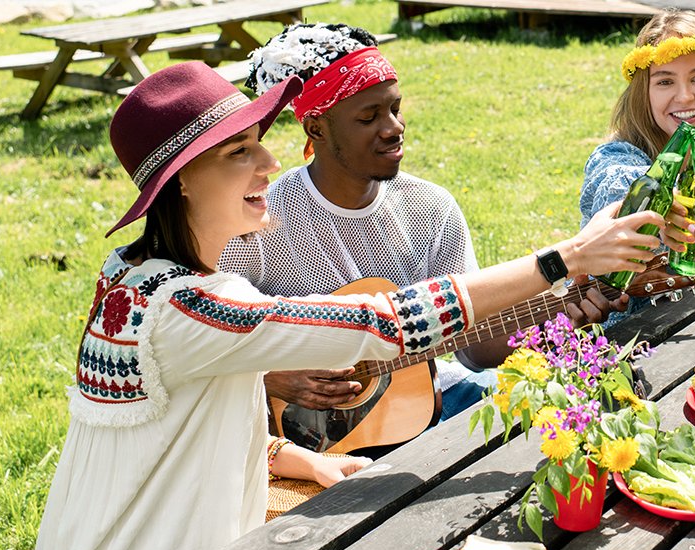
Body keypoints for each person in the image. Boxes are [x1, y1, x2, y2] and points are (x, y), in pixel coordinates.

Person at [27, 62, 661, 550]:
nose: (269, 165)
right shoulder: (188, 307)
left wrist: (308, 464)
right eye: (239, 154)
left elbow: (189, 420)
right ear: (181, 183)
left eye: (261, 146)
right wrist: (566, 259)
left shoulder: (133, 275)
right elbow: (383, 322)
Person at [221, 24, 625, 436]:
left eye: (396, 108)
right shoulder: (260, 220)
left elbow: (472, 345)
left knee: (576, 414)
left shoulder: (430, 208)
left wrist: (556, 316)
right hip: (300, 437)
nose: (394, 127)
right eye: (369, 116)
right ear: (316, 129)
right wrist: (266, 376)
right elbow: (199, 336)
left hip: (430, 401)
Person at [578, 8, 695, 226]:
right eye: (665, 82)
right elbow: (622, 190)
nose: (685, 97)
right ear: (643, 94)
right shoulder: (616, 158)